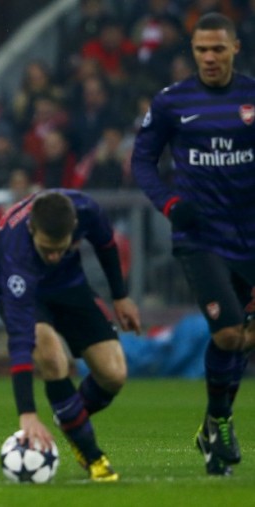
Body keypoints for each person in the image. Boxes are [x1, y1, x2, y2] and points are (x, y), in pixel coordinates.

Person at [131, 12, 255, 476]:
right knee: (227, 333)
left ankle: (212, 426)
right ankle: (220, 422)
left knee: (243, 338)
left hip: (251, 238)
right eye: (201, 49)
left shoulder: (251, 97)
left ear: (235, 49)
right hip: (200, 237)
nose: (208, 57)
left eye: (217, 49)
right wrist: (169, 203)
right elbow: (142, 161)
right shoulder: (171, 102)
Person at [0, 190, 141, 482]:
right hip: (19, 291)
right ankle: (92, 455)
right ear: (32, 229)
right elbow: (20, 341)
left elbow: (106, 244)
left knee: (114, 374)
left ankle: (69, 416)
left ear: (73, 229)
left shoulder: (86, 210)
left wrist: (121, 296)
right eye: (47, 249)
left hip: (69, 285)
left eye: (60, 248)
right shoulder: (15, 252)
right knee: (51, 356)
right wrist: (27, 412)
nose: (54, 255)